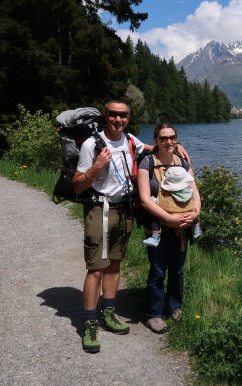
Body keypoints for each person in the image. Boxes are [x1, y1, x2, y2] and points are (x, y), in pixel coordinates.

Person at [72, 100, 144, 354]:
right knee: (96, 269)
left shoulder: (130, 140)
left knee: (114, 265)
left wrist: (175, 145)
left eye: (123, 115)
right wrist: (97, 167)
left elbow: (152, 148)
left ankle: (108, 313)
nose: (118, 119)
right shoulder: (93, 144)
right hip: (99, 210)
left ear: (128, 117)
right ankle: (90, 323)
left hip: (123, 210)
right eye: (113, 114)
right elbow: (78, 185)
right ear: (106, 116)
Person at [137, 123, 200, 334]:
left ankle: (175, 307)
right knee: (157, 271)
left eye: (172, 137)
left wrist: (196, 213)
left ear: (176, 139)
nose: (168, 142)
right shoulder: (146, 163)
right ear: (156, 140)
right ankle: (153, 314)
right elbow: (145, 199)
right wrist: (168, 219)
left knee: (178, 270)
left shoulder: (182, 162)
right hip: (158, 227)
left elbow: (194, 191)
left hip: (182, 227)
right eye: (163, 138)